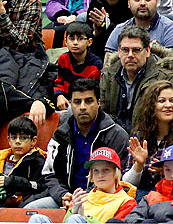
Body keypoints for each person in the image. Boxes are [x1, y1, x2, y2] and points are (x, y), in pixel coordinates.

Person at [34, 78, 129, 210]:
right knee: (29, 211)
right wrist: (62, 195)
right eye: (77, 102)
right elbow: (49, 173)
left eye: (89, 101)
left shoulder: (116, 135)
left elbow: (120, 177)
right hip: (65, 198)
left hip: (103, 200)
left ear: (99, 103)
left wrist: (82, 199)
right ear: (70, 104)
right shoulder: (60, 134)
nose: (83, 107)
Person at [123, 78, 173, 193]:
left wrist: (168, 171)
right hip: (143, 195)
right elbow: (127, 185)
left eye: (172, 100)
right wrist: (139, 165)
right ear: (151, 106)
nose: (168, 105)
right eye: (162, 101)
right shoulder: (139, 136)